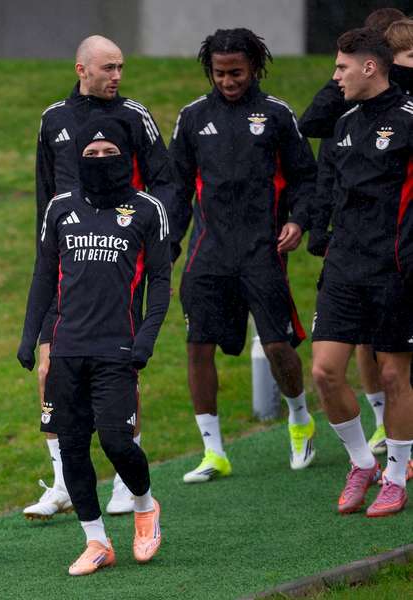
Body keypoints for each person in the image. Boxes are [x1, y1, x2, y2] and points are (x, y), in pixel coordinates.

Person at [25, 34, 174, 519]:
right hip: (68, 261)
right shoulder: (53, 120)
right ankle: (65, 482)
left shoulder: (134, 116)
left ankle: (125, 487)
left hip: (118, 262)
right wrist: (46, 256)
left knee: (119, 372)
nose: (117, 76)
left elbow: (166, 182)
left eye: (121, 68)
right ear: (81, 69)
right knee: (49, 369)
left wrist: (151, 246)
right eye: (108, 68)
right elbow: (44, 193)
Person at [18, 116, 171, 575]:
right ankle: (96, 540)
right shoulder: (59, 208)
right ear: (77, 159)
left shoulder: (147, 210)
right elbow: (44, 276)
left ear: (125, 157)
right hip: (67, 349)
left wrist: (145, 339)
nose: (101, 160)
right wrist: (31, 339)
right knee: (72, 447)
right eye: (91, 154)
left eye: (109, 153)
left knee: (117, 440)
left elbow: (161, 283)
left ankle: (145, 508)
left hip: (118, 348)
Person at [168, 28, 318, 483]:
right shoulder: (192, 118)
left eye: (236, 72)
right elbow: (176, 188)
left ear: (254, 68)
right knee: (197, 346)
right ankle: (214, 452)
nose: (228, 81)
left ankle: (299, 418)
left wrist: (298, 220)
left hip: (262, 249)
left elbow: (305, 178)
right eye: (219, 73)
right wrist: (168, 242)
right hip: (208, 252)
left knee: (276, 345)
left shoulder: (276, 115)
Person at [310, 28, 413, 517]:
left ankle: (395, 475)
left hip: (395, 268)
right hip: (344, 265)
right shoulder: (343, 122)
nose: (335, 77)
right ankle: (361, 463)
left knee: (394, 375)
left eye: (342, 68)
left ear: (369, 67)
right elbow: (328, 186)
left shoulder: (411, 119)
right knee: (325, 372)